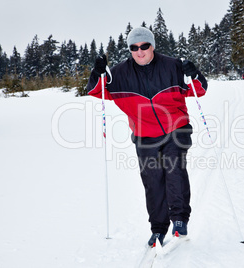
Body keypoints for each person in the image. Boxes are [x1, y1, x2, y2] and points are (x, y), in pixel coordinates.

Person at [86, 27, 208, 247]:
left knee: (173, 170)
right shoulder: (119, 73)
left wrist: (194, 72)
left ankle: (179, 220)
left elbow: (198, 90)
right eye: (134, 47)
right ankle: (159, 229)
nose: (139, 51)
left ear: (152, 46)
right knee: (153, 181)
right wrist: (98, 72)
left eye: (144, 46)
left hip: (176, 128)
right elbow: (96, 91)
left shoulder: (173, 66)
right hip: (144, 134)